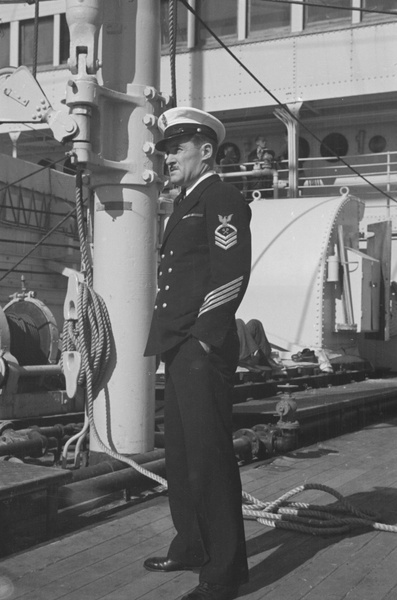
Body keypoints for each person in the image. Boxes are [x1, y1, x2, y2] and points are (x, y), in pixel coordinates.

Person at [144, 107, 252, 600]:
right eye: (166, 148)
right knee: (183, 455)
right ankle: (190, 545)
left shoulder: (220, 196)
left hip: (198, 346)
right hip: (179, 344)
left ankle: (224, 572)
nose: (168, 156)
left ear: (205, 151)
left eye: (177, 147)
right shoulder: (184, 201)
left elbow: (230, 273)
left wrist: (204, 337)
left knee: (208, 458)